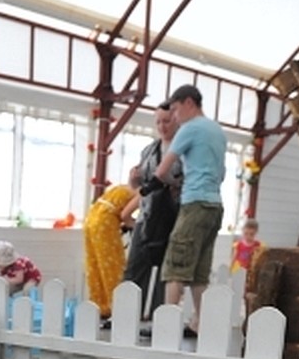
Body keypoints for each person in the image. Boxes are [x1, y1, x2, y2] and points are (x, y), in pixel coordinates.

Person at [143, 84, 227, 335]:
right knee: (200, 271)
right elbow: (221, 174)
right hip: (215, 206)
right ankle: (200, 324)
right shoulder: (217, 131)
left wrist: (169, 183)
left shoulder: (189, 129)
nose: (175, 117)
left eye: (177, 110)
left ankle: (166, 325)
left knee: (175, 265)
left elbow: (162, 170)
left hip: (194, 203)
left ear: (189, 103)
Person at [123, 101, 182, 323]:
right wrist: (134, 179)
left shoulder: (184, 149)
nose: (162, 126)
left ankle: (159, 319)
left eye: (166, 121)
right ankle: (127, 315)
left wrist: (170, 181)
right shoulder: (149, 150)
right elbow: (138, 188)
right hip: (147, 216)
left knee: (165, 273)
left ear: (176, 121)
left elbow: (188, 182)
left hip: (173, 217)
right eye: (158, 121)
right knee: (135, 266)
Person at [83, 167, 140, 323]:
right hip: (105, 224)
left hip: (91, 219)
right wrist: (136, 226)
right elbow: (125, 215)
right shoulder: (141, 193)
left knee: (95, 264)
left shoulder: (121, 188)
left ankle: (100, 304)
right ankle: (116, 305)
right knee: (113, 265)